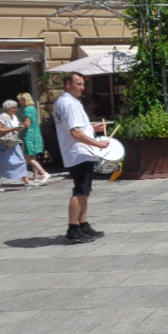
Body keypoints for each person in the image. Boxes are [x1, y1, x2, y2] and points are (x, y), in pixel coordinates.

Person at [53, 72, 109, 244]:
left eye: (83, 84)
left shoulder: (65, 102)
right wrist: (98, 144)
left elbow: (76, 127)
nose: (82, 88)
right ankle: (72, 229)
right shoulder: (69, 103)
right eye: (78, 84)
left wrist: (91, 128)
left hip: (79, 152)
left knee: (84, 191)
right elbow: (75, 132)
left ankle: (83, 225)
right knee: (80, 191)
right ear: (68, 84)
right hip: (79, 152)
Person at [0, 100, 34, 192]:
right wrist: (12, 129)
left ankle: (27, 182)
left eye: (16, 108)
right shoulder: (3, 116)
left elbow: (16, 128)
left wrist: (22, 126)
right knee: (1, 164)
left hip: (13, 142)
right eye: (14, 108)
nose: (16, 110)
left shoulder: (14, 117)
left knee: (21, 161)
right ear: (8, 108)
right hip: (3, 144)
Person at [16, 92, 50, 184]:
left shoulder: (27, 109)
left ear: (24, 100)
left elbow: (27, 124)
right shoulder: (33, 108)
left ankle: (44, 173)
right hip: (36, 135)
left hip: (29, 136)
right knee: (33, 158)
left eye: (20, 100)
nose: (19, 102)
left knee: (28, 159)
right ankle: (35, 177)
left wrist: (18, 124)